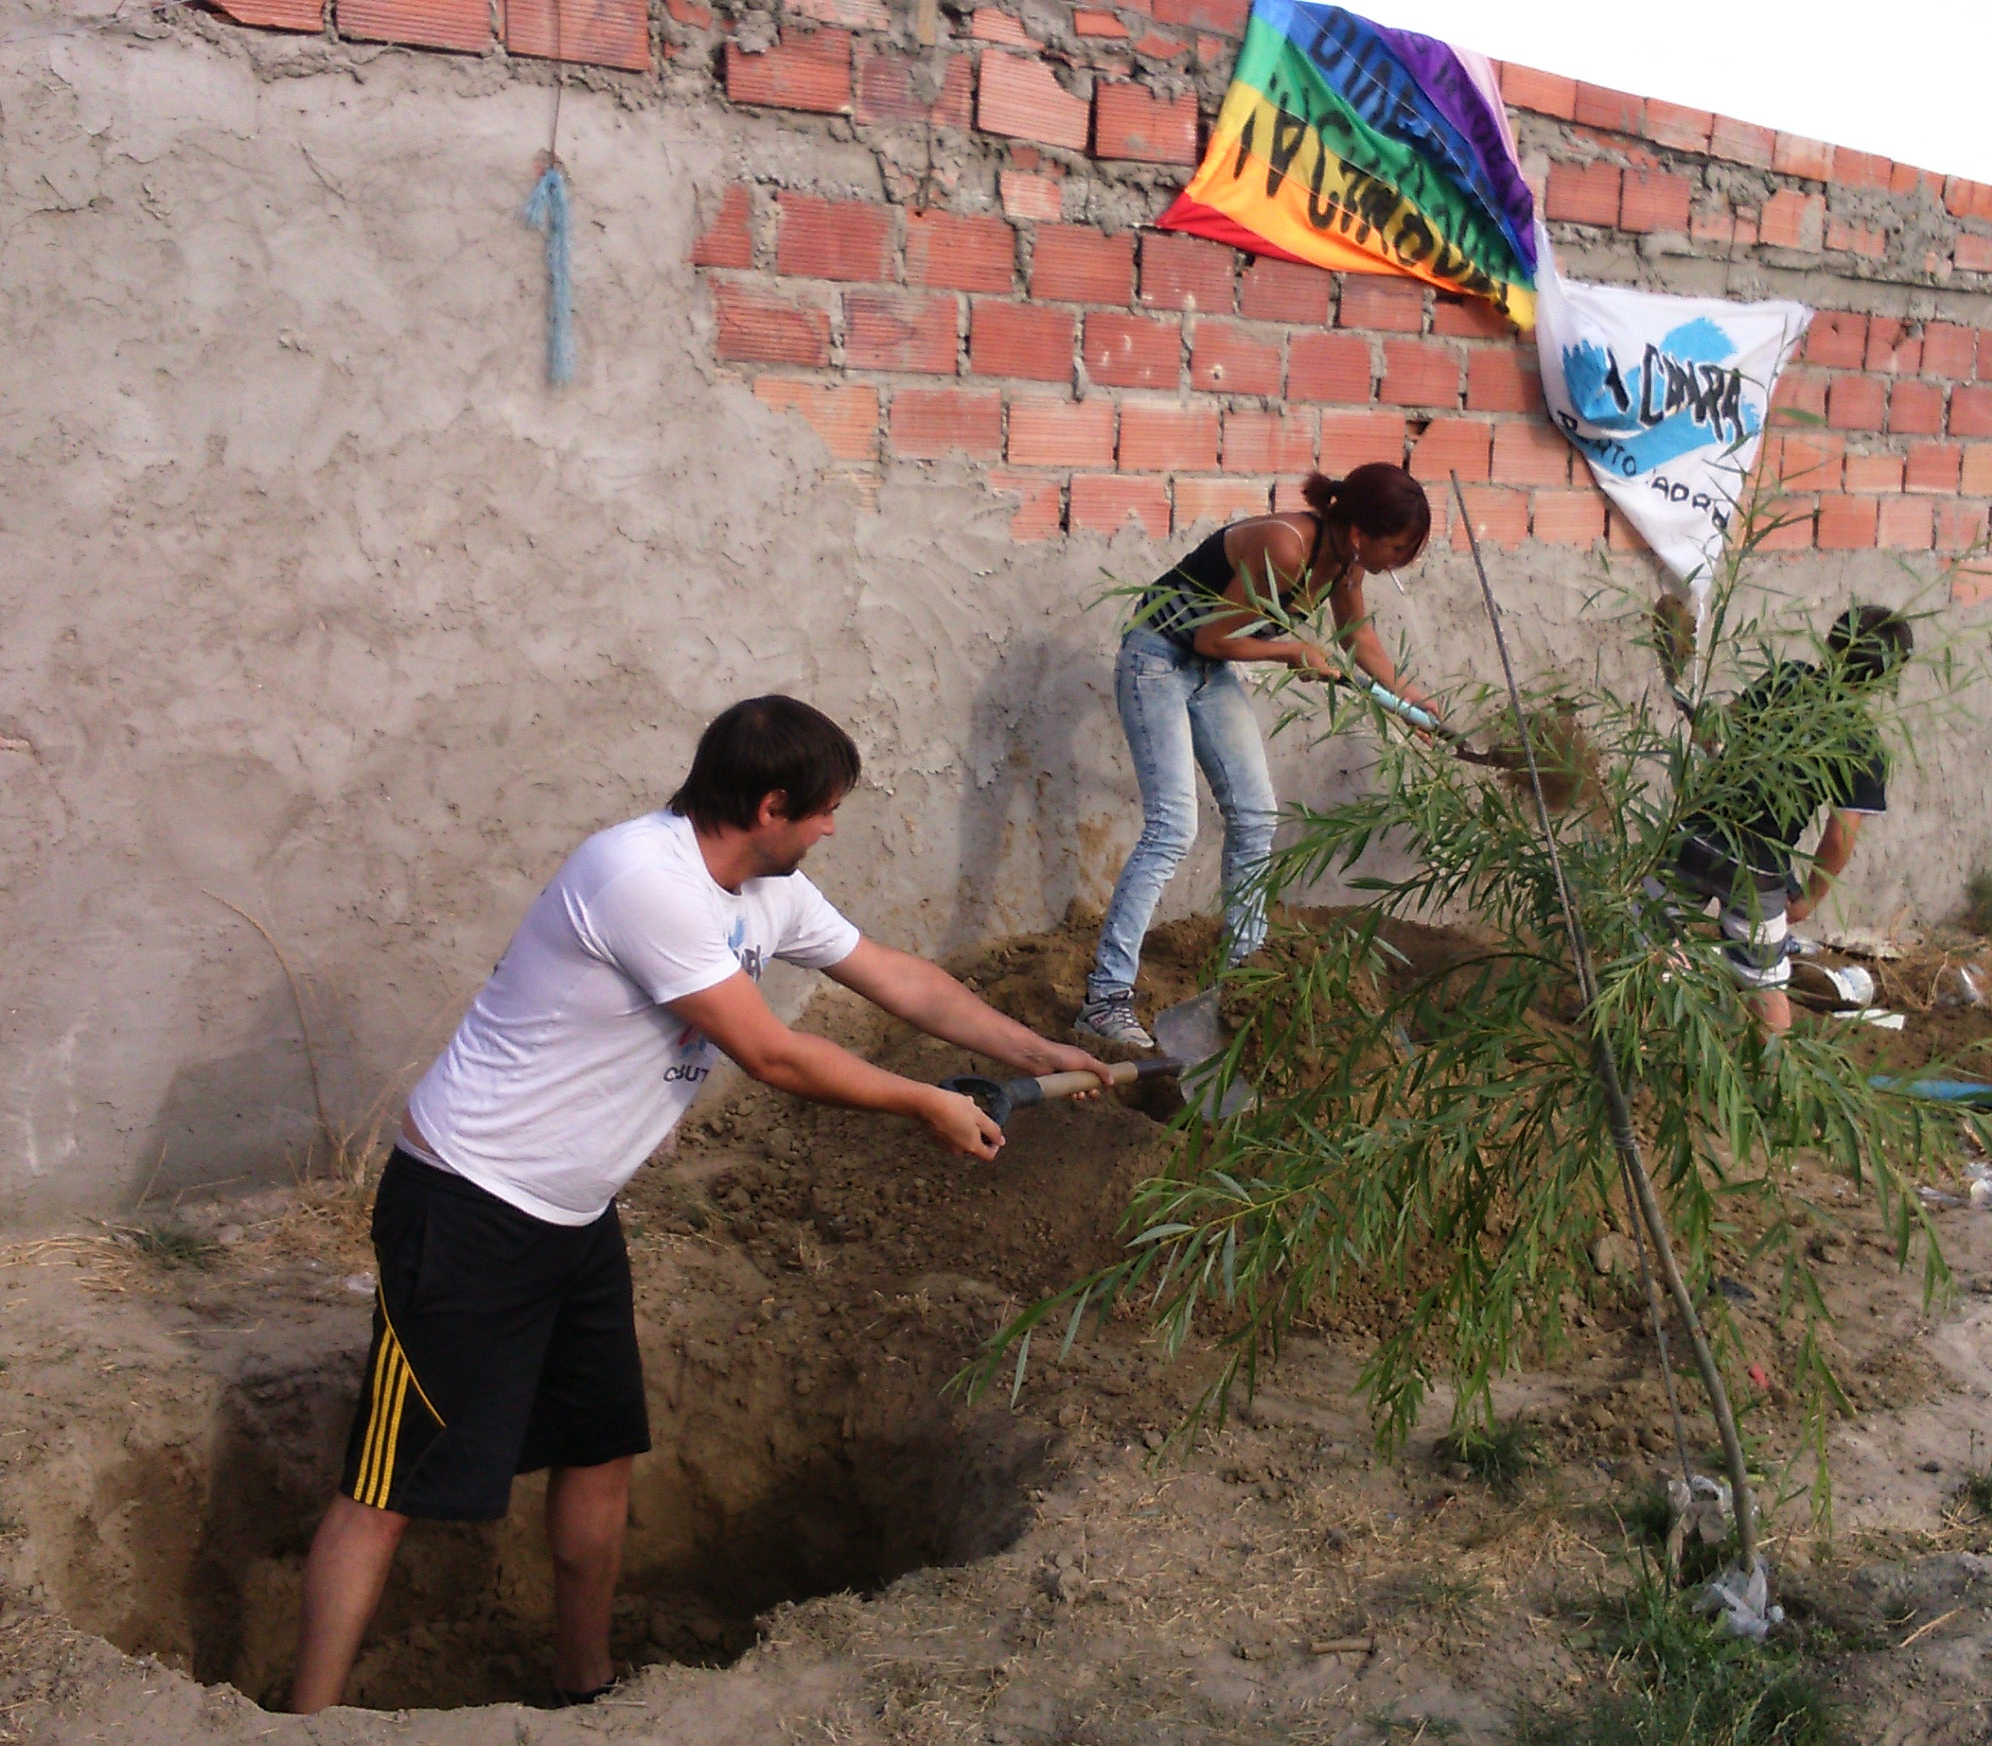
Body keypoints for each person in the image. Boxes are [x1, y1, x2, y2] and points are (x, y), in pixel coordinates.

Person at [286, 696, 1113, 1714]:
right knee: (388, 1489)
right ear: (769, 806)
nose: (831, 829)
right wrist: (923, 1101)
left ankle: (583, 1689)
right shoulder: (641, 877)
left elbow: (895, 979)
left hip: (574, 1218)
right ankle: (307, 1718)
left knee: (599, 1453)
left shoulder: (769, 891)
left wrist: (1031, 1049)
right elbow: (768, 1052)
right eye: (823, 812)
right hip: (467, 1205)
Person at [1075, 463, 1441, 1052]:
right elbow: (1211, 637)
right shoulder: (1286, 545)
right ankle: (1105, 998)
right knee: (1174, 827)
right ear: (1358, 533)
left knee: (1255, 817)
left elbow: (1358, 640)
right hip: (1157, 658)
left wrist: (1411, 701)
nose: (1398, 560)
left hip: (1204, 671)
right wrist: (1292, 649)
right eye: (1396, 546)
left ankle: (1244, 983)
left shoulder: (1345, 564)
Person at [1656, 606, 1913, 1033]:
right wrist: (1809, 898)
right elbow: (1838, 840)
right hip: (1755, 874)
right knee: (1766, 985)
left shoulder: (1787, 678)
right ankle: (1775, 1083)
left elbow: (1712, 734)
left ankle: (1637, 1048)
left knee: (1651, 944)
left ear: (1830, 644)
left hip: (1693, 838)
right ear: (1888, 678)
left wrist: (1695, 713)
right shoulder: (1863, 743)